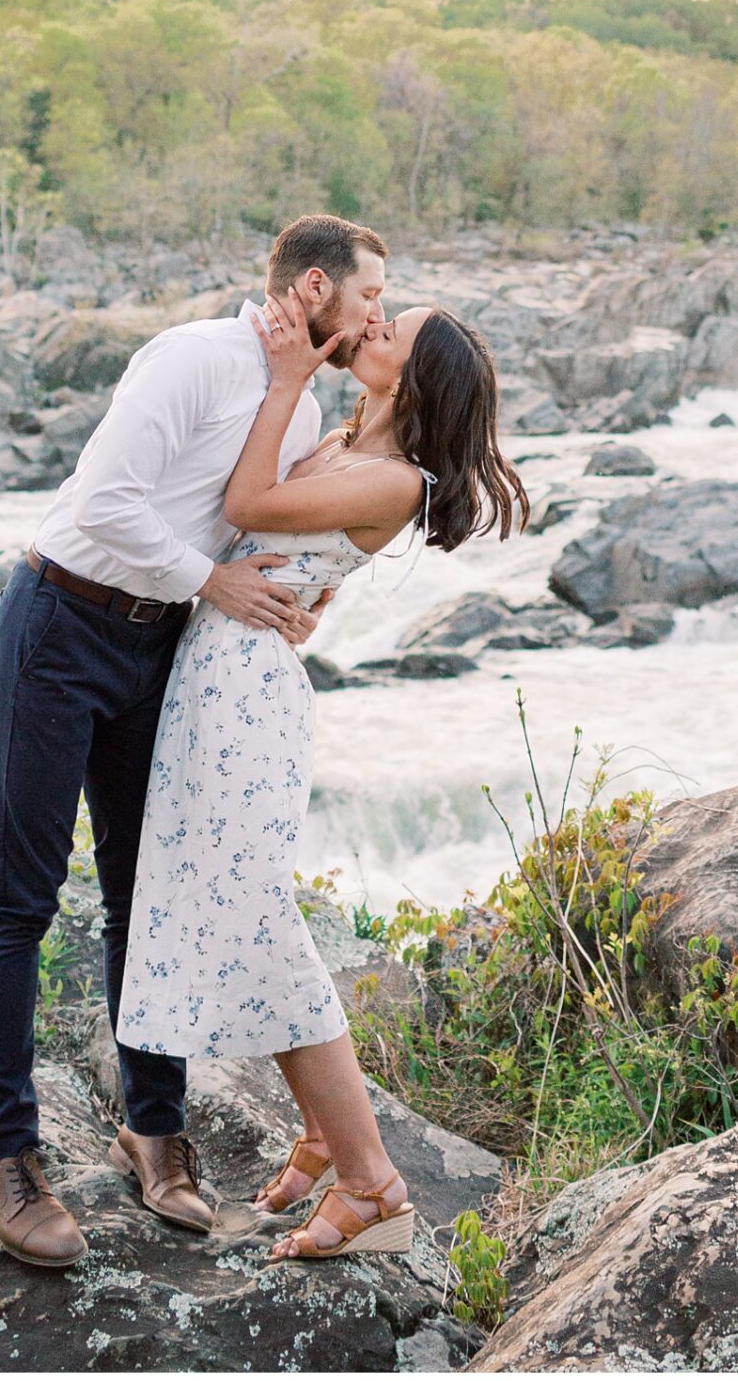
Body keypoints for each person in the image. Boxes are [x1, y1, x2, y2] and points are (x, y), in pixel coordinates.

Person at [0, 214, 388, 1270]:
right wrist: (215, 579)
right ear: (318, 286)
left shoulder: (300, 407)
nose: (378, 313)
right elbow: (102, 500)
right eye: (373, 295)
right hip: (61, 620)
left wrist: (292, 595)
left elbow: (254, 528)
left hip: (165, 649)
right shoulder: (195, 357)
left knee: (142, 889)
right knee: (17, 892)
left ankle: (153, 1130)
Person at [117, 287, 528, 1263]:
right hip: (210, 668)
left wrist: (291, 375)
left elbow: (248, 505)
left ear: (416, 378)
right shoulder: (347, 443)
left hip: (247, 692)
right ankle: (318, 1132)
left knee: (258, 913)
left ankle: (371, 1181)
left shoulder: (396, 479)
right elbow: (261, 530)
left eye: (397, 331)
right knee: (217, 904)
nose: (376, 326)